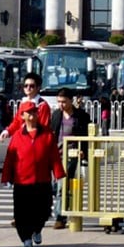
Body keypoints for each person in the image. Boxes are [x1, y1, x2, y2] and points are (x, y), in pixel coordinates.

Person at [1, 103, 65, 247]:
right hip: (22, 181)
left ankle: (37, 229)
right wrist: (6, 176)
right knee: (22, 212)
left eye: (34, 112)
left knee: (43, 210)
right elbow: (10, 158)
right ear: (22, 116)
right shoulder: (17, 135)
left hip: (42, 179)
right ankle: (26, 238)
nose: (32, 115)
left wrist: (58, 173)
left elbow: (54, 156)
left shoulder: (47, 134)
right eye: (28, 113)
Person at [51, 89, 91, 229]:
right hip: (56, 155)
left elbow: (87, 136)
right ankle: (58, 210)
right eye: (59, 102)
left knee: (63, 186)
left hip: (72, 156)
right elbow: (52, 134)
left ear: (70, 100)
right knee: (54, 187)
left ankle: (60, 217)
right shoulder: (56, 115)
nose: (61, 105)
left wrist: (83, 151)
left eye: (64, 102)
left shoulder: (81, 116)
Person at [0, 72, 51, 140]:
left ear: (38, 87)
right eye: (25, 85)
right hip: (21, 138)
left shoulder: (43, 105)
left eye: (32, 86)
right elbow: (17, 122)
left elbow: (44, 127)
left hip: (35, 140)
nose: (28, 88)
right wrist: (7, 131)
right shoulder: (23, 103)